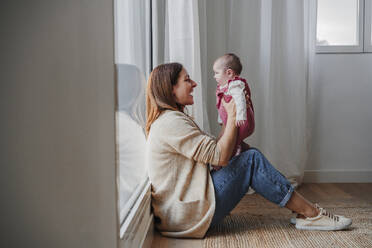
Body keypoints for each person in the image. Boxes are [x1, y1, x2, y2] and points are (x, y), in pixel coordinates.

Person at [145, 62, 352, 238]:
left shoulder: (170, 120)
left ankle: (305, 211)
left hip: (182, 213)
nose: (194, 84)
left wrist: (228, 118)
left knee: (247, 156)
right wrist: (234, 115)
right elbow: (220, 157)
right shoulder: (171, 123)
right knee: (251, 160)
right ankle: (311, 213)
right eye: (187, 80)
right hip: (188, 217)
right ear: (170, 89)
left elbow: (215, 154)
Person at [212, 53, 254, 171]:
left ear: (229, 73)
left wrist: (241, 116)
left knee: (232, 142)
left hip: (242, 122)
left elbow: (240, 100)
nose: (214, 76)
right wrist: (221, 120)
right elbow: (222, 106)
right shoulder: (224, 87)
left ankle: (231, 156)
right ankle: (243, 146)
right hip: (234, 122)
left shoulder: (235, 85)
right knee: (229, 139)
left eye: (216, 73)